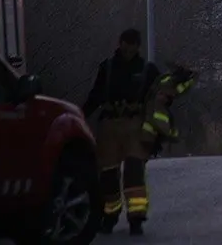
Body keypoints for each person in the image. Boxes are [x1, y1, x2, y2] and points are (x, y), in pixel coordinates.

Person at [81, 28, 160, 236]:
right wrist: (80, 115)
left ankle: (136, 219)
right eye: (125, 43)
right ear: (120, 43)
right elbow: (95, 96)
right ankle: (109, 215)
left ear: (137, 46)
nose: (128, 48)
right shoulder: (107, 68)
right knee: (107, 175)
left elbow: (158, 105)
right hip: (109, 126)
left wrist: (155, 136)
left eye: (132, 44)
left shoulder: (147, 70)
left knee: (134, 173)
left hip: (135, 126)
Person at [140, 64, 197, 160]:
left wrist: (190, 81)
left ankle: (152, 149)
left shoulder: (165, 81)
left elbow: (177, 90)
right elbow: (175, 90)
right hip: (155, 114)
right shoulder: (168, 83)